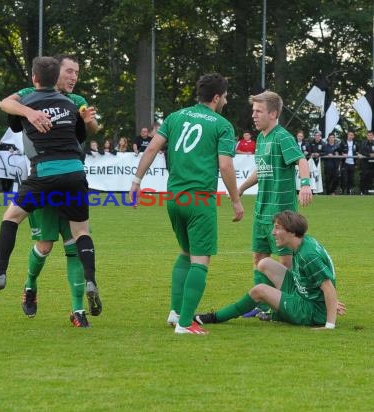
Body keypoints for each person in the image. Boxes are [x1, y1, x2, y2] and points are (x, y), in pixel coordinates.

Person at [0, 56, 100, 328]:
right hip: (59, 175)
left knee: (71, 248)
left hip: (49, 174)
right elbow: (6, 103)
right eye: (69, 71)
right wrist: (29, 112)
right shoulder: (30, 95)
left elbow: (91, 131)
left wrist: (88, 121)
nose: (73, 76)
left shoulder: (76, 101)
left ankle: (78, 310)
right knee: (45, 245)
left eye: (77, 72)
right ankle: (30, 286)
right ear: (56, 74)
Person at [130, 73, 244, 335]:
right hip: (200, 200)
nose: (225, 100)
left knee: (185, 253)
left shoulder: (175, 117)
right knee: (200, 261)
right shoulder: (222, 125)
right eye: (225, 95)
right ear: (216, 97)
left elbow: (150, 150)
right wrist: (235, 201)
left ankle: (175, 312)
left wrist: (136, 182)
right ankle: (185, 324)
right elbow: (225, 165)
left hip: (175, 198)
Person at [195, 211, 345, 329]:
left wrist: (329, 325)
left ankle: (213, 317)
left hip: (310, 310)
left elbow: (328, 287)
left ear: (292, 232)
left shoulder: (309, 254)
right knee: (264, 263)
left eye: (277, 228)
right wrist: (327, 301)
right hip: (304, 295)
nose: (273, 232)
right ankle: (273, 312)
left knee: (259, 290)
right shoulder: (303, 242)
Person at [238, 91, 312, 318]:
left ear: (273, 113)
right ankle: (260, 303)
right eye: (253, 111)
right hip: (261, 211)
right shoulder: (261, 139)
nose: (254, 115)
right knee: (259, 258)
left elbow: (301, 160)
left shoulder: (283, 137)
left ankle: (284, 305)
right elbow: (261, 170)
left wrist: (306, 185)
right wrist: (240, 189)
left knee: (284, 262)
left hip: (281, 215)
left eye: (258, 111)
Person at [339, 130, 359, 195]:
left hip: (352, 163)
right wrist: (342, 153)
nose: (350, 136)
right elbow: (338, 150)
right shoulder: (343, 142)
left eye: (352, 135)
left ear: (353, 136)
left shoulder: (356, 143)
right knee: (344, 178)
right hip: (345, 163)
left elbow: (358, 151)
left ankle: (348, 192)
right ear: (347, 135)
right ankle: (342, 191)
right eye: (349, 135)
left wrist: (358, 154)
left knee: (351, 179)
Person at [359, 130, 374, 195]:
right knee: (363, 178)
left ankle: (369, 192)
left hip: (372, 165)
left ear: (373, 136)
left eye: (371, 135)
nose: (370, 136)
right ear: (366, 136)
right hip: (365, 164)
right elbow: (361, 152)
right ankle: (362, 192)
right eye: (368, 135)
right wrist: (369, 155)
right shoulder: (363, 143)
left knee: (370, 179)